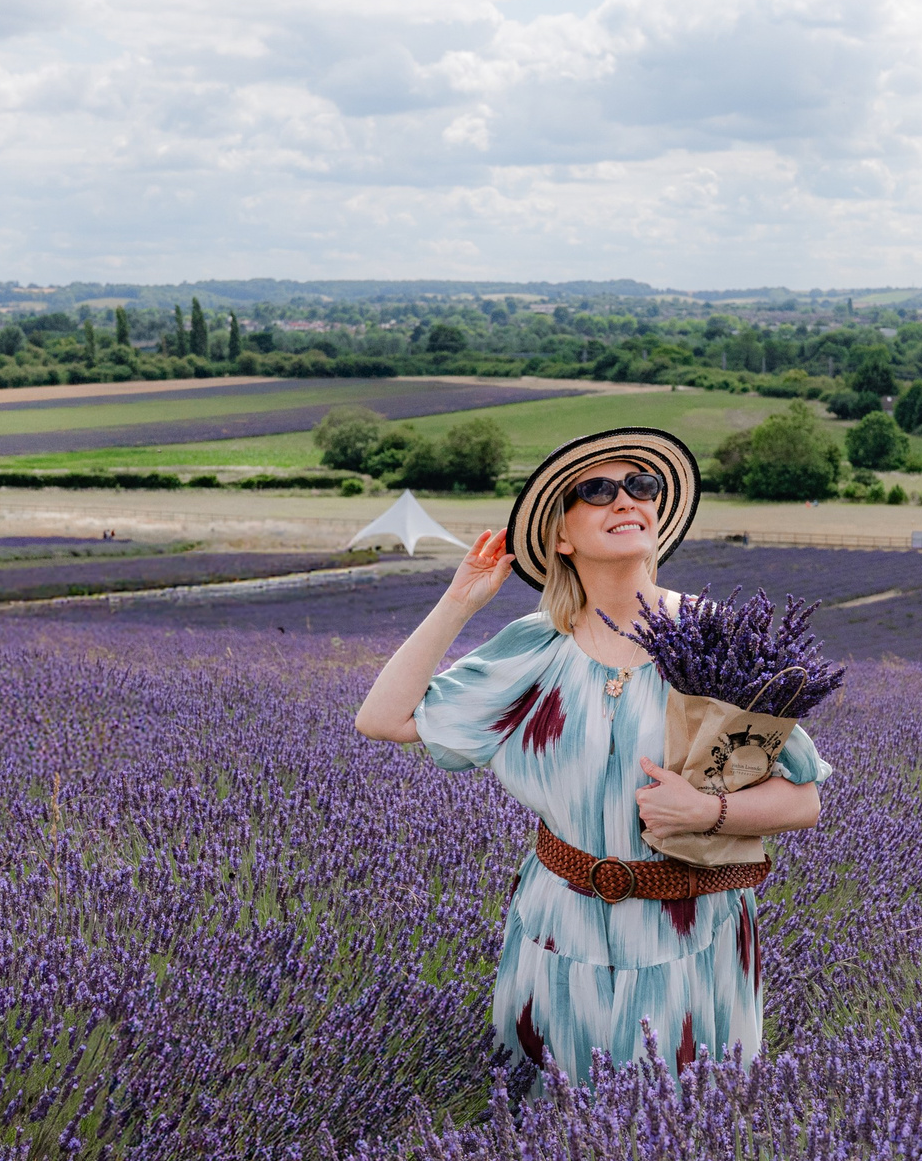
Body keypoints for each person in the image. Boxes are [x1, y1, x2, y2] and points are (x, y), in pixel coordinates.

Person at [354, 428, 826, 1092]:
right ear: (561, 536)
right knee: (545, 1143)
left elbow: (802, 800)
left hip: (691, 939)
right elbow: (382, 719)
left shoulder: (717, 642)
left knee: (685, 1149)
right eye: (598, 490)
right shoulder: (535, 650)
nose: (626, 499)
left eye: (642, 486)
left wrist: (707, 810)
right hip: (558, 935)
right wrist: (459, 601)